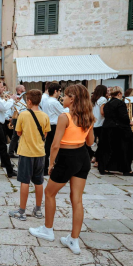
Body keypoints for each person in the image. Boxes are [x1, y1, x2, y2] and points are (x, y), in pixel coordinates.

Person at [30, 84, 95, 254]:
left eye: (65, 96)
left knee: (50, 193)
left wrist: (51, 164)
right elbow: (90, 142)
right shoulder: (88, 116)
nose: (63, 99)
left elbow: (55, 145)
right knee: (77, 199)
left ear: (72, 99)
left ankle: (48, 229)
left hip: (67, 157)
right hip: (83, 157)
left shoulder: (64, 117)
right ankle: (73, 240)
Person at [8, 89, 50, 222]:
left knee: (24, 181)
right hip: (40, 152)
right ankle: (38, 210)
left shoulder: (23, 115)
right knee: (39, 181)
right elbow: (45, 135)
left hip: (26, 152)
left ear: (30, 101)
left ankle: (22, 211)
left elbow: (18, 133)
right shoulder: (45, 116)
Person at [96, 86, 133, 176]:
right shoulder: (120, 103)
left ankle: (104, 168)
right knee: (125, 149)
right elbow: (123, 116)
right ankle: (126, 169)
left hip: (107, 128)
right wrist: (130, 122)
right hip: (119, 129)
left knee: (107, 149)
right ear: (119, 94)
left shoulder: (107, 103)